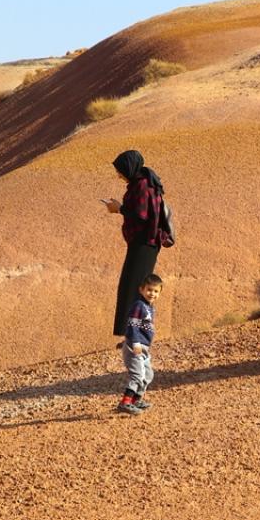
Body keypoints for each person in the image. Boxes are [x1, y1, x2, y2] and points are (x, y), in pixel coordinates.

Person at [104, 150, 167, 338]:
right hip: (144, 243)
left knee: (135, 288)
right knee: (134, 287)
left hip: (144, 243)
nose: (119, 175)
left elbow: (141, 216)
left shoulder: (141, 185)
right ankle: (133, 334)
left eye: (121, 171)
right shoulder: (142, 183)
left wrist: (119, 209)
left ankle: (135, 336)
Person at [118, 273, 163, 415]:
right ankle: (125, 403)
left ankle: (136, 400)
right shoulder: (139, 305)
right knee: (137, 375)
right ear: (141, 290)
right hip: (134, 345)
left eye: (156, 291)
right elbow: (132, 325)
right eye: (149, 290)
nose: (152, 293)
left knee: (148, 374)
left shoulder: (150, 307)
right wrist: (135, 342)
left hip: (143, 347)